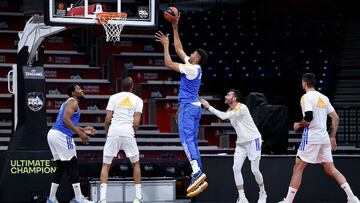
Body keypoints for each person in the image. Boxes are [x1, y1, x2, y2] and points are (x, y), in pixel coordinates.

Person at [279, 73, 360, 203]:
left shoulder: (305, 97)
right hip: (324, 138)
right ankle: (352, 198)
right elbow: (335, 117)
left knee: (298, 167)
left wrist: (298, 124)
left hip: (312, 136)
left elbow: (309, 117)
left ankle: (287, 201)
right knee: (330, 168)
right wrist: (332, 137)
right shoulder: (323, 97)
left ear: (304, 83)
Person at [155, 16, 209, 198]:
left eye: (193, 53)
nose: (190, 54)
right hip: (192, 107)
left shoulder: (192, 68)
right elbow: (178, 49)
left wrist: (164, 45)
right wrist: (175, 28)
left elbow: (168, 63)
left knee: (186, 141)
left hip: (188, 107)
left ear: (197, 59)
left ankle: (196, 172)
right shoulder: (194, 67)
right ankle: (198, 173)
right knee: (192, 142)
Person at [200, 89, 267, 203]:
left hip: (253, 140)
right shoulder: (229, 110)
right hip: (241, 144)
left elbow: (223, 116)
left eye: (228, 95)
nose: (225, 96)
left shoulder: (242, 108)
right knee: (236, 168)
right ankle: (242, 197)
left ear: (234, 98)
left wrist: (208, 106)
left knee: (255, 170)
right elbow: (226, 115)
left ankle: (262, 193)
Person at [47, 84, 96, 203]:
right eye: (79, 89)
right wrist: (80, 134)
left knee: (61, 167)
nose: (82, 90)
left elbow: (68, 122)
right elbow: (65, 120)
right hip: (61, 135)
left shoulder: (69, 102)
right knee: (73, 163)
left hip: (53, 134)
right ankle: (79, 198)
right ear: (73, 93)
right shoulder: (73, 102)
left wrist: (83, 129)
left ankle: (52, 198)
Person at [98, 77, 144, 203]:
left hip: (114, 131)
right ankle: (138, 198)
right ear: (132, 86)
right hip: (128, 132)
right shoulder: (138, 100)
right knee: (135, 164)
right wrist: (132, 132)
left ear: (121, 86)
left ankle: (102, 199)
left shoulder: (113, 97)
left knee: (105, 165)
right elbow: (136, 122)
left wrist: (107, 132)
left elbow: (107, 119)